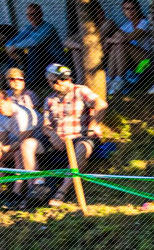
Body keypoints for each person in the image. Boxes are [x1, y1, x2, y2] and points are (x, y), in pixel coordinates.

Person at [40, 64, 105, 208]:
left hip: (80, 136)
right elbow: (45, 125)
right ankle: (35, 188)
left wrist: (93, 125)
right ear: (49, 82)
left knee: (82, 147)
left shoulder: (80, 91)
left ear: (69, 78)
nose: (60, 83)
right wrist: (52, 134)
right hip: (58, 139)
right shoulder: (49, 99)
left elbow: (101, 104)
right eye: (55, 81)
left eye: (63, 79)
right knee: (28, 144)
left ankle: (62, 191)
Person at [0, 83, 41, 208]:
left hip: (38, 144)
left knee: (19, 152)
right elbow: (2, 139)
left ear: (8, 100)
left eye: (0, 104)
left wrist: (2, 149)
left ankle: (16, 194)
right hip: (17, 144)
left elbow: (23, 141)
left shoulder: (21, 114)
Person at [102, 0, 153, 93]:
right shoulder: (126, 26)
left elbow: (129, 37)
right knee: (117, 45)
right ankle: (110, 79)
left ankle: (119, 79)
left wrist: (108, 39)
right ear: (123, 11)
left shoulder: (144, 23)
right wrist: (110, 40)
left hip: (145, 62)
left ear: (138, 9)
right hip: (130, 61)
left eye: (132, 8)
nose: (130, 11)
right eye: (126, 9)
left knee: (119, 41)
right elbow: (119, 41)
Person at [5, 5, 62, 81]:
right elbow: (15, 40)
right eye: (28, 14)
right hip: (38, 61)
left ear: (40, 14)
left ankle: (32, 80)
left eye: (33, 14)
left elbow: (36, 41)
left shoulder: (48, 27)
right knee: (14, 49)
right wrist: (9, 47)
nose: (31, 16)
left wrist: (14, 47)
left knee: (34, 48)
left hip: (55, 60)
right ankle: (11, 78)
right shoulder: (28, 28)